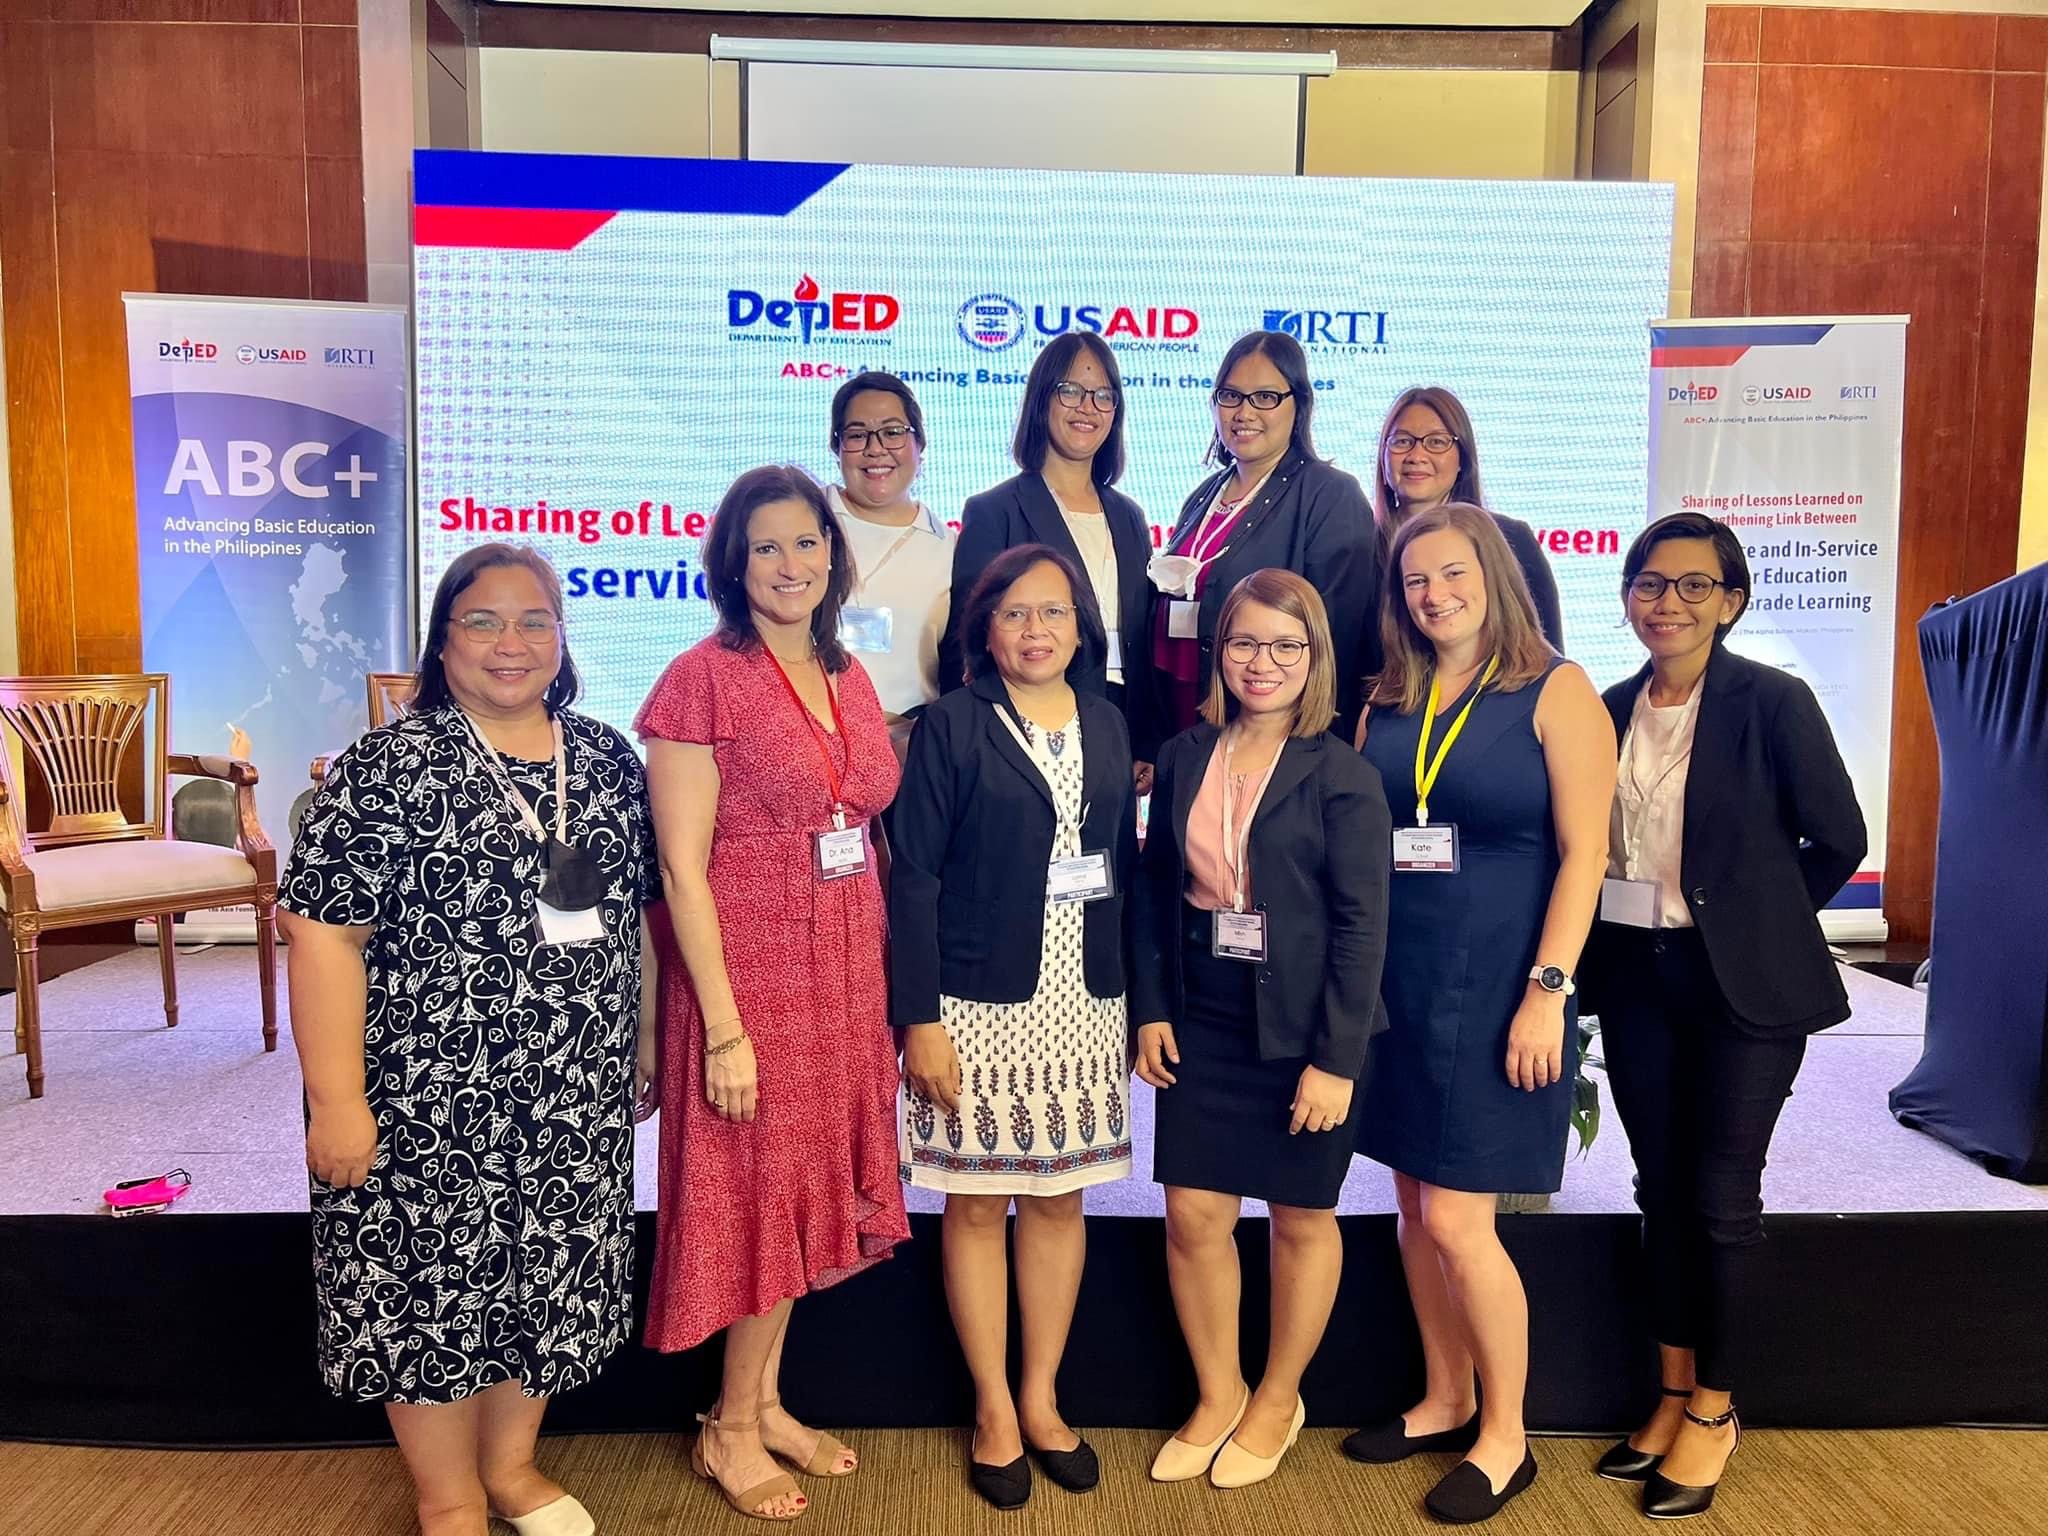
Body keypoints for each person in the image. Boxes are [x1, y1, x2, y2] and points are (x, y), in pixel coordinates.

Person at [281, 543, 658, 1536]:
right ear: (443, 644)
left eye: (534, 620)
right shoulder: (388, 765)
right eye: (482, 622)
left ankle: (512, 1466)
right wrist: (336, 1101)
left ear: (562, 640)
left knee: (548, 1268)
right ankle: (446, 1495)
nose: (511, 642)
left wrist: (647, 1034)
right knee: (430, 1286)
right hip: (424, 1090)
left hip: (573, 1087)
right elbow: (321, 934)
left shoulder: (610, 759)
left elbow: (634, 919)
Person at [1578, 512, 1864, 1520]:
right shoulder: (1606, 709)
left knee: (1719, 1194)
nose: (1668, 603)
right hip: (1636, 977)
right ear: (1626, 597)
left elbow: (1834, 837)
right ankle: (1667, 1388)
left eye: (1693, 586)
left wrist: (1751, 920)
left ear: (1730, 600)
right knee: (1657, 1187)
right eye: (1650, 584)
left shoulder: (1770, 702)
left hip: (1740, 989)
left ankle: (1712, 1407)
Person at [638, 465, 908, 1523]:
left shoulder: (846, 674)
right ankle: (729, 1429)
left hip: (844, 966)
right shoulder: (698, 679)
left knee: (801, 1187)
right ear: (731, 564)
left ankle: (761, 1398)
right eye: (765, 548)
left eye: (806, 543)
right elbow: (678, 868)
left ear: (833, 556)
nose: (789, 565)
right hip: (748, 973)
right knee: (755, 1193)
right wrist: (722, 1029)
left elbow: (858, 815)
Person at [1348, 503, 1615, 1524]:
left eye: (1451, 574)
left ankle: (1505, 1437)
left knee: (1460, 1218)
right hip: (1401, 982)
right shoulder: (1387, 697)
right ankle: (1442, 1395)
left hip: (1504, 982)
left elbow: (1585, 855)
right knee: (1414, 1209)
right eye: (1415, 581)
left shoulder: (1556, 690)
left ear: (1491, 574)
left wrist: (1547, 994)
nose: (1434, 595)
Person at [891, 543, 1139, 1509]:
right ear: (983, 630)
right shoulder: (951, 728)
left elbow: (1126, 869)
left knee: (1060, 1202)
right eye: (1014, 614)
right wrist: (918, 1020)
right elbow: (912, 877)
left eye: (1054, 613)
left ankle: (1041, 1398)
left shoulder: (1112, 727)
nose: (1036, 631)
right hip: (973, 1009)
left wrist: (1140, 1005)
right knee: (978, 1205)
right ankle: (993, 1406)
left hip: (1085, 1005)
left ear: (1082, 626)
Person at [1133, 568, 1392, 1490]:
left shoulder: (1344, 774)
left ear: (1315, 657)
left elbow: (1365, 929)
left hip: (1304, 1025)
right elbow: (1159, 891)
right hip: (1204, 1011)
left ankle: (1279, 1397)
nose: (1263, 661)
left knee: (1299, 1216)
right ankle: (1218, 1392)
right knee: (1194, 1216)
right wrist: (1152, 1006)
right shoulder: (1184, 756)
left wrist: (1336, 1061)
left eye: (1288, 645)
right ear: (1220, 649)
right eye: (1245, 641)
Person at [939, 332, 1158, 782]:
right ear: (1042, 400)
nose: (1088, 407)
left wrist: (1146, 738)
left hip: (1117, 724)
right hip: (1026, 725)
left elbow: (1143, 635)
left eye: (1103, 395)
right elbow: (969, 639)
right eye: (1071, 390)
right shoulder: (994, 511)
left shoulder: (1129, 516)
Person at [1149, 330, 1377, 741]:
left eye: (1265, 397)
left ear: (1299, 405)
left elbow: (1334, 646)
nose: (1244, 412)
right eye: (1231, 396)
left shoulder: (1330, 496)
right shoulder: (1203, 496)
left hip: (1274, 737)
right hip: (1185, 730)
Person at [1372, 386, 1565, 648]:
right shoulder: (1360, 549)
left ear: (1462, 457)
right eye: (1402, 441)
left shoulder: (1511, 539)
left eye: (1437, 442)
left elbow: (1546, 651)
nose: (1416, 456)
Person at [825, 370, 956, 755]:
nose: (876, 448)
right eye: (857, 434)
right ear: (837, 446)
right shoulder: (807, 524)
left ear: (919, 442)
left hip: (914, 751)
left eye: (893, 431)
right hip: (812, 746)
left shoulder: (948, 547)